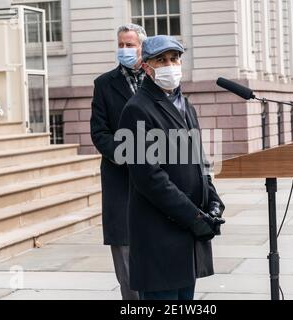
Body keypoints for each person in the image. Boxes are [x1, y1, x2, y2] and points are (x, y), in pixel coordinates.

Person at [118, 35, 226, 300]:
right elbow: (150, 178)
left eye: (175, 58)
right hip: (159, 234)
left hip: (186, 235)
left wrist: (213, 200)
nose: (170, 65)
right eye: (161, 60)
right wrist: (194, 217)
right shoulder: (137, 109)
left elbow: (200, 160)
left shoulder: (185, 105)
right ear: (146, 67)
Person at [90, 23, 147, 300]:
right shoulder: (103, 84)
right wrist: (128, 155)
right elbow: (99, 132)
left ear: (142, 48)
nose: (124, 50)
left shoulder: (159, 79)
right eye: (121, 45)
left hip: (158, 179)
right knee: (126, 261)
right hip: (120, 181)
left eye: (130, 45)